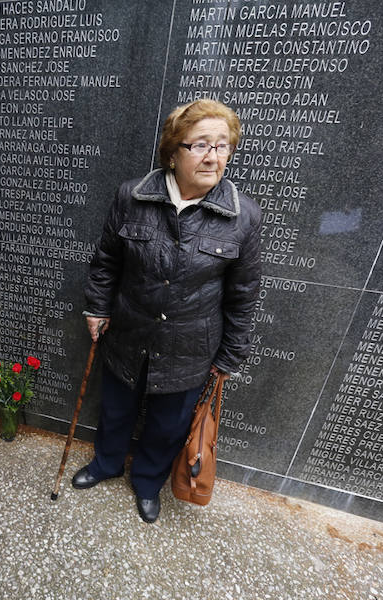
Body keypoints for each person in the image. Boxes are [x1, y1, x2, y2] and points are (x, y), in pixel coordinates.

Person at [72, 99, 262, 523]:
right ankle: (105, 465)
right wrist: (97, 308)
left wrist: (230, 356)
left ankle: (146, 482)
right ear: (173, 153)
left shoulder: (243, 216)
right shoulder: (131, 197)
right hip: (129, 332)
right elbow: (106, 261)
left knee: (167, 425)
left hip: (191, 346)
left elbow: (244, 294)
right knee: (116, 408)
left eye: (223, 145)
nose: (214, 156)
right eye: (200, 145)